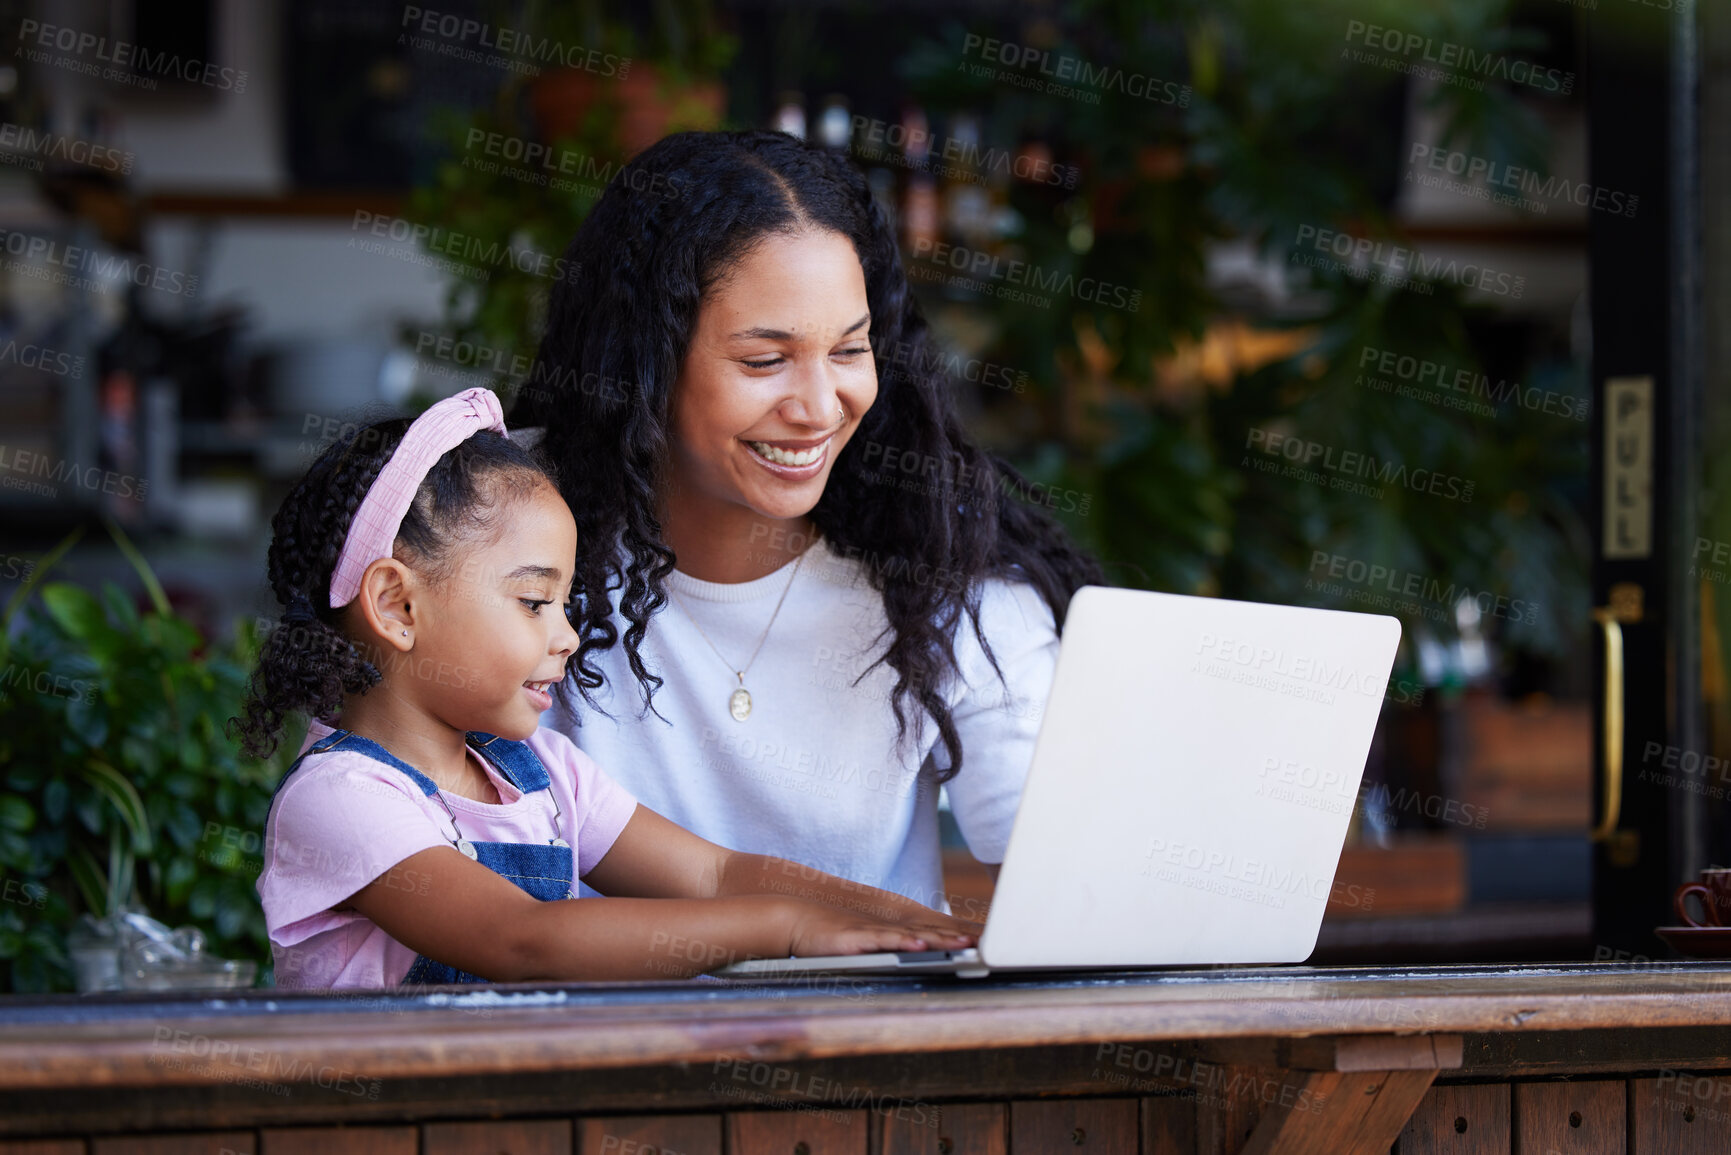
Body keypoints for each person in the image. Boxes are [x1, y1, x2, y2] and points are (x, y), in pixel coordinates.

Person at [514, 131, 1103, 911]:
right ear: (641, 360)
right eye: (764, 361)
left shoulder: (944, 569)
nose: (820, 408)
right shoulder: (499, 529)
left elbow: (1070, 891)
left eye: (849, 351)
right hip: (583, 1033)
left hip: (864, 1034)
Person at [231, 388, 976, 989]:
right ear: (397, 605)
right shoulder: (342, 798)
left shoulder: (543, 776)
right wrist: (787, 930)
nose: (566, 635)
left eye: (564, 603)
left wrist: (904, 923)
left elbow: (717, 873)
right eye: (533, 601)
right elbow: (522, 940)